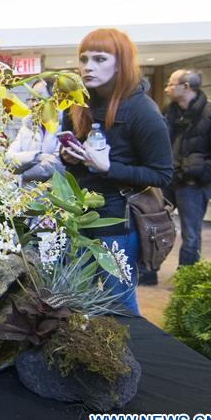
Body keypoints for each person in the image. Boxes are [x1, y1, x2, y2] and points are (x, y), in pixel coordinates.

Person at [59, 28, 172, 314]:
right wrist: (71, 158)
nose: (88, 67)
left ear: (120, 63)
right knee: (71, 296)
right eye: (84, 59)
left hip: (119, 223)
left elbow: (162, 175)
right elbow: (76, 165)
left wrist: (109, 168)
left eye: (99, 59)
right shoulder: (76, 105)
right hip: (79, 217)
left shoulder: (142, 111)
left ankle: (131, 359)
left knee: (119, 303)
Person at [163, 69, 211, 270]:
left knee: (191, 234)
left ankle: (186, 277)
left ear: (186, 87)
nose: (166, 89)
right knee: (153, 227)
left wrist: (198, 176)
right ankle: (147, 272)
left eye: (171, 84)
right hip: (167, 182)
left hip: (193, 186)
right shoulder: (167, 114)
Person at [6, 79, 65, 183]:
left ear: (55, 100)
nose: (33, 104)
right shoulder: (27, 127)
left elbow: (56, 165)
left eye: (38, 98)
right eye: (31, 99)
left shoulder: (64, 125)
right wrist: (38, 156)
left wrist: (22, 176)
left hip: (55, 195)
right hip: (26, 196)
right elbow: (9, 159)